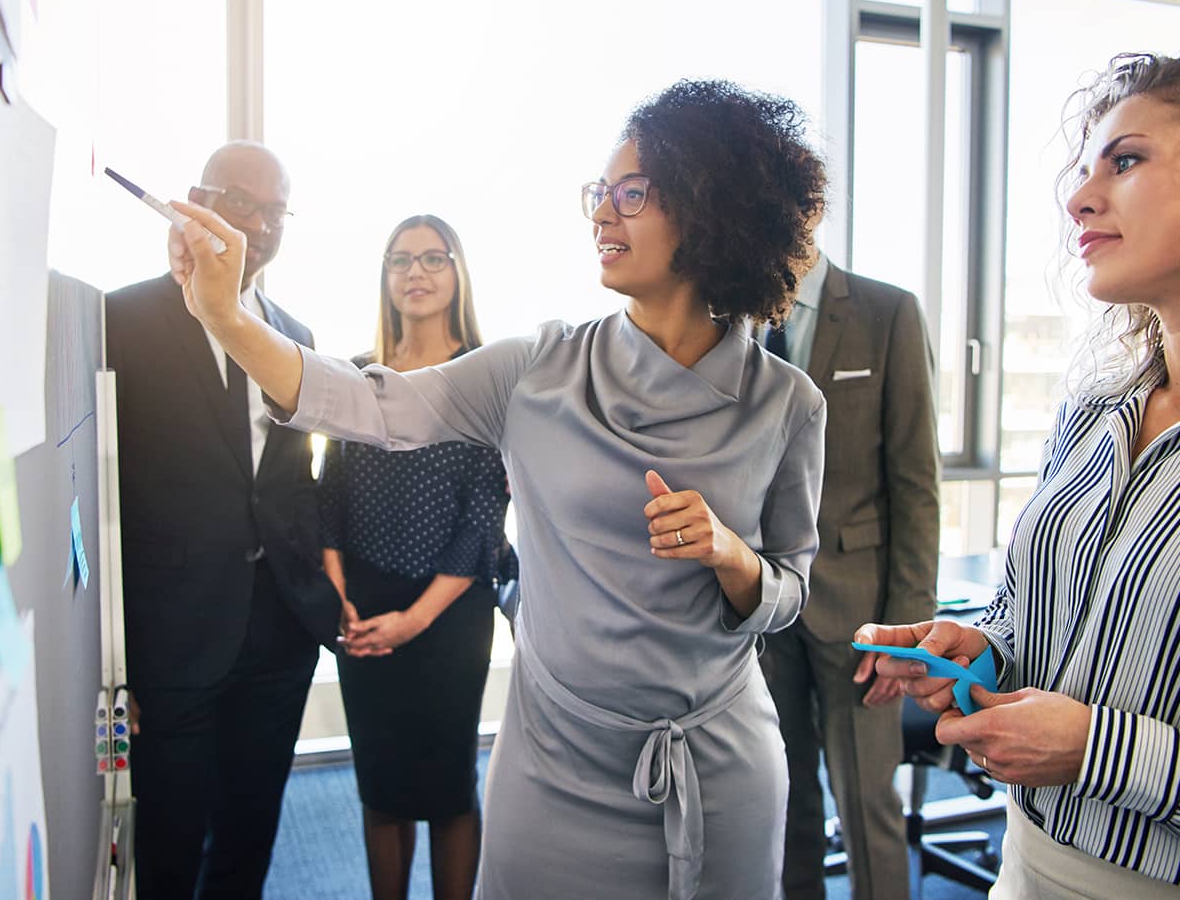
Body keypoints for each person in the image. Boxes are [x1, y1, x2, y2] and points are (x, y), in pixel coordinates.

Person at [165, 78, 828, 900]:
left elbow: (790, 591)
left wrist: (733, 556)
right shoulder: (536, 369)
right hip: (557, 765)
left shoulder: (789, 404)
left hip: (718, 768)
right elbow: (367, 402)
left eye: (630, 194)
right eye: (600, 193)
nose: (601, 215)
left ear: (709, 208)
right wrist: (228, 319)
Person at [857, 51, 1180, 897]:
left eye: (1127, 160)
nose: (1079, 197)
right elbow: (1038, 621)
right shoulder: (1096, 409)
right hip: (1025, 860)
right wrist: (985, 653)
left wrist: (1095, 750)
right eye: (1084, 168)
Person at [105, 141, 340, 900]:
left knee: (250, 828)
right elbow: (107, 499)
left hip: (278, 627)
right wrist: (117, 659)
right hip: (173, 636)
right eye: (242, 201)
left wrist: (321, 590)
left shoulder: (295, 335)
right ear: (195, 199)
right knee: (170, 838)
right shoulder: (122, 319)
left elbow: (290, 482)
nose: (260, 224)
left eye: (276, 211)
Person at [319, 214, 511, 900]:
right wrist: (336, 597)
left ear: (458, 273)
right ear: (385, 276)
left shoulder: (485, 375)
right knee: (381, 784)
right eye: (400, 260)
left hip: (450, 611)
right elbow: (330, 495)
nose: (416, 273)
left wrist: (414, 621)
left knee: (449, 787)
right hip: (362, 608)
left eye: (434, 258)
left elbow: (484, 520)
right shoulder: (358, 372)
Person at [757, 215, 940, 900]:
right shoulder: (732, 317)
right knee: (782, 800)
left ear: (806, 209)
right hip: (761, 607)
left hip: (860, 612)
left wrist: (909, 634)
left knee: (867, 806)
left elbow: (916, 485)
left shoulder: (886, 312)